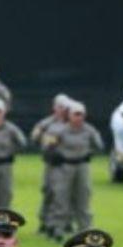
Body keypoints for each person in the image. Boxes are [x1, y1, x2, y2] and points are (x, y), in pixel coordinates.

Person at [40, 100, 104, 239]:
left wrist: (89, 152)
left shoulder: (89, 130)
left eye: (80, 114)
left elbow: (99, 145)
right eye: (75, 114)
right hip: (64, 166)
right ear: (69, 115)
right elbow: (46, 146)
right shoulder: (59, 130)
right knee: (61, 197)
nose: (78, 117)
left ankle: (85, 228)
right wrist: (54, 154)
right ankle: (57, 227)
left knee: (83, 196)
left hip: (82, 166)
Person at [32, 95, 71, 239]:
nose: (63, 110)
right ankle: (45, 221)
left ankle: (64, 222)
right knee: (49, 191)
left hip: (68, 163)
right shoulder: (46, 124)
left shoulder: (72, 123)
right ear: (54, 107)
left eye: (65, 107)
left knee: (67, 194)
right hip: (52, 163)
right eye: (60, 107)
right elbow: (35, 137)